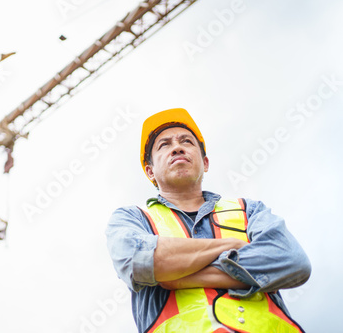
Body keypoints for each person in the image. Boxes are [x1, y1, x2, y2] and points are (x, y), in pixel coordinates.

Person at [105, 108, 311, 333]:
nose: (177, 147)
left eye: (186, 141)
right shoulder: (133, 219)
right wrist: (230, 245)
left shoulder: (249, 210)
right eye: (164, 145)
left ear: (205, 163)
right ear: (150, 171)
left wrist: (182, 277)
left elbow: (292, 262)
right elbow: (137, 261)